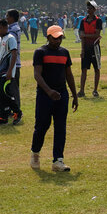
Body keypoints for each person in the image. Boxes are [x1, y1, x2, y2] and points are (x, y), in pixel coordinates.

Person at [31, 25, 78, 172]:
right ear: (48, 37)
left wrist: (74, 95)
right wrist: (49, 91)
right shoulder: (40, 52)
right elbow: (37, 75)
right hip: (45, 95)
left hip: (61, 94)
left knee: (60, 128)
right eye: (55, 38)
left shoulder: (65, 53)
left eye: (60, 38)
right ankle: (35, 154)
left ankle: (58, 160)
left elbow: (68, 75)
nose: (58, 41)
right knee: (42, 126)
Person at [0, 19, 21, 125]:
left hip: (7, 73)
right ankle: (3, 117)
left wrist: (10, 71)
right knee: (1, 95)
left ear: (5, 27)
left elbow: (14, 55)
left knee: (7, 94)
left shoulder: (11, 38)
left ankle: (18, 112)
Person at [78, 0, 103, 98]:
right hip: (86, 48)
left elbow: (97, 34)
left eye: (91, 8)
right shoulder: (83, 21)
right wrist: (82, 50)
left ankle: (95, 90)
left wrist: (85, 35)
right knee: (83, 69)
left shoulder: (98, 21)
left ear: (94, 9)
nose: (88, 10)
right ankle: (82, 91)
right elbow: (82, 37)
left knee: (96, 69)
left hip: (95, 48)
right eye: (88, 8)